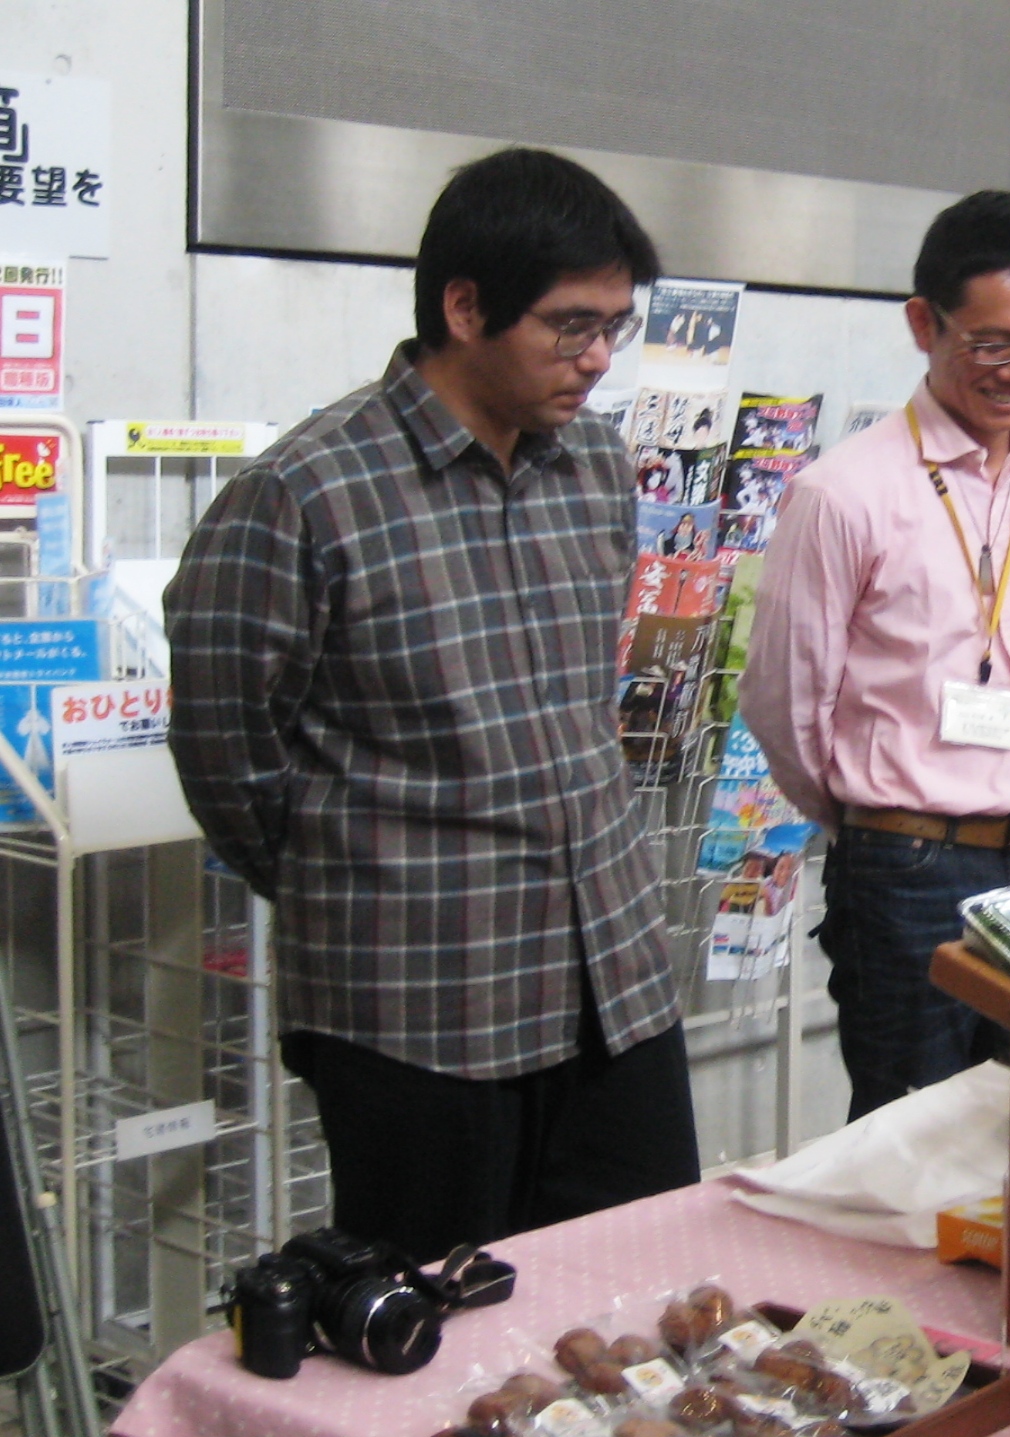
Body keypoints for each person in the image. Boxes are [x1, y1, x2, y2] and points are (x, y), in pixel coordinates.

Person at [167, 148, 698, 1266]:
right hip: (418, 1005)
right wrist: (363, 878)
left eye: (614, 325)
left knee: (640, 1301)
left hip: (613, 979)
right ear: (464, 305)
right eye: (568, 326)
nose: (597, 358)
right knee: (441, 1351)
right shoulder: (302, 494)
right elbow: (225, 749)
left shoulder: (593, 465)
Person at [742, 190, 1010, 1120]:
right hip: (908, 869)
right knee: (915, 1136)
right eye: (990, 344)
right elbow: (783, 703)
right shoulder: (842, 495)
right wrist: (878, 818)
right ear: (921, 323)